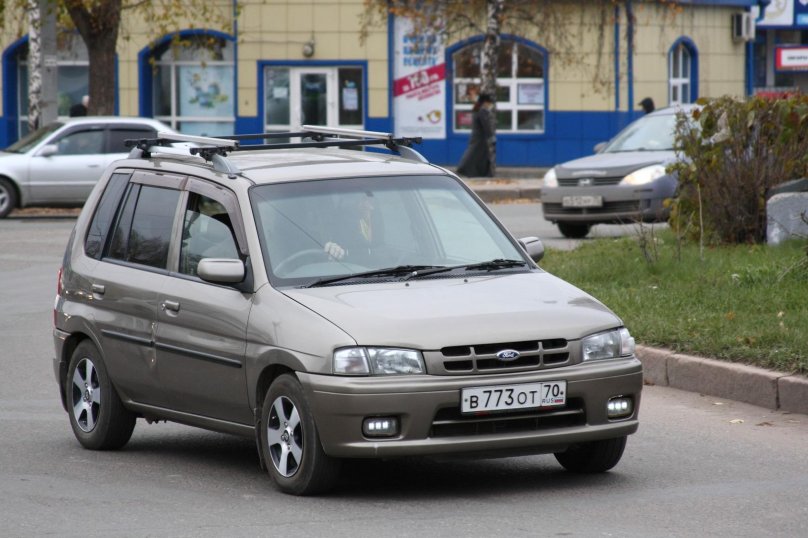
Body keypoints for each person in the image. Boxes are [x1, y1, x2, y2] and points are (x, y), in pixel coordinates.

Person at [456, 93, 496, 177]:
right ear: (485, 102)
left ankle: (481, 173)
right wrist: (491, 137)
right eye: (489, 102)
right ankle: (463, 169)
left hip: (477, 137)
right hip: (480, 138)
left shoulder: (477, 109)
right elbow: (486, 125)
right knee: (475, 155)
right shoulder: (482, 111)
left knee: (479, 155)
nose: (490, 104)